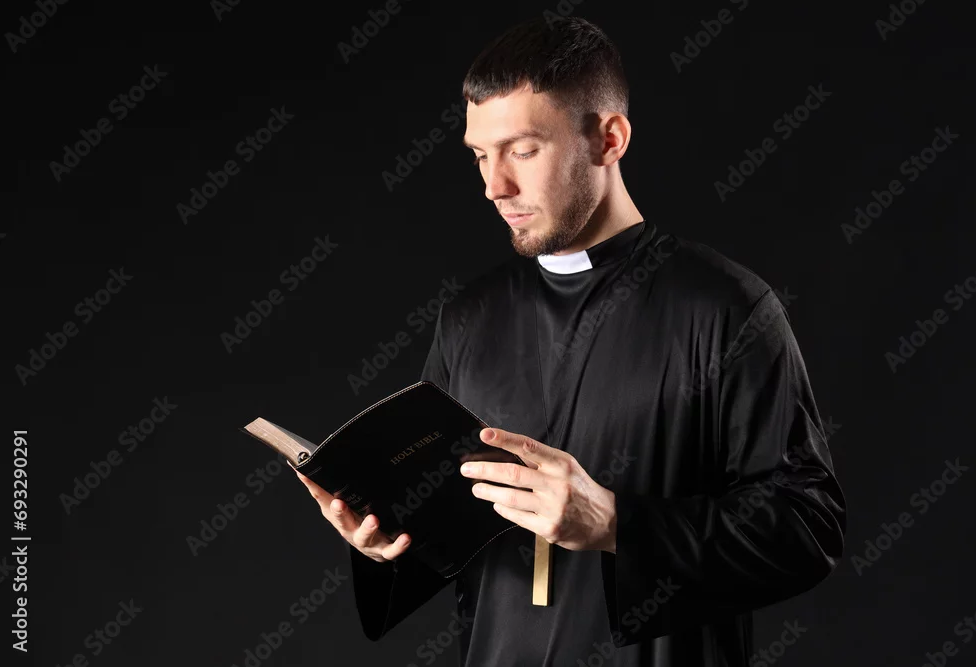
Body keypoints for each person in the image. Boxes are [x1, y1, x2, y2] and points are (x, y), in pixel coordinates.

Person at [296, 15, 847, 667]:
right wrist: (383, 536)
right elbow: (448, 526)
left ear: (609, 139)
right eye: (480, 155)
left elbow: (808, 527)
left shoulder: (726, 307)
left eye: (523, 150)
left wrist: (616, 523)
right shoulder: (469, 317)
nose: (493, 186)